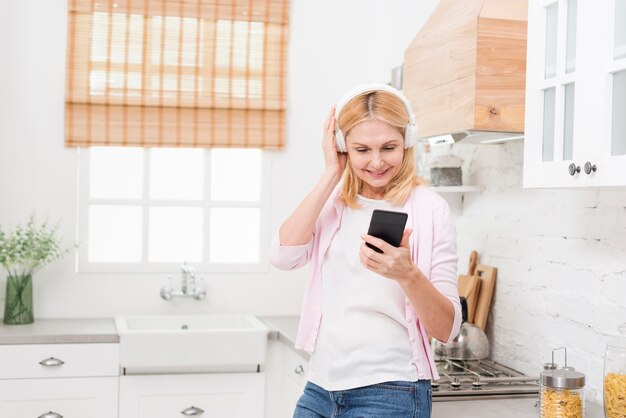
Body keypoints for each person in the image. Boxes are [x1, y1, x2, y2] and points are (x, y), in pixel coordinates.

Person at [269, 83, 461, 418]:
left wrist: (407, 274)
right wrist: (332, 173)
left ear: (408, 142)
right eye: (361, 150)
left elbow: (446, 329)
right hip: (321, 386)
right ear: (343, 146)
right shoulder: (332, 204)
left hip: (391, 390)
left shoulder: (430, 209)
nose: (376, 162)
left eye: (389, 147)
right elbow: (283, 256)